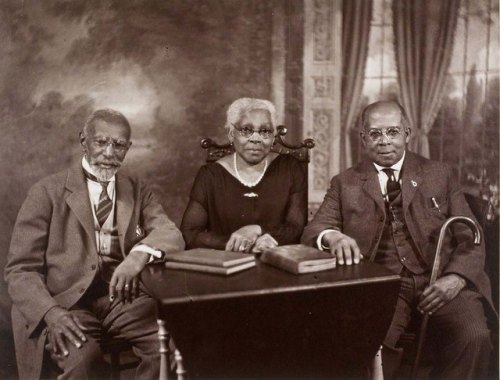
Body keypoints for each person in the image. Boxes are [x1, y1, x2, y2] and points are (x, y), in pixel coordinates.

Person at [301, 100, 494, 379]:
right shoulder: (345, 182)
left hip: (441, 278)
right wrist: (333, 237)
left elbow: (471, 237)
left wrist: (456, 278)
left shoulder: (439, 173)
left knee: (474, 336)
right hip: (385, 285)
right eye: (376, 134)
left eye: (392, 132)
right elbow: (313, 231)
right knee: (367, 346)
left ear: (407, 133)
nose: (384, 141)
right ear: (363, 138)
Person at [5, 109, 185, 379]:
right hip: (66, 303)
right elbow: (19, 271)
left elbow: (169, 232)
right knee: (83, 361)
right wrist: (52, 314)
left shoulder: (137, 188)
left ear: (128, 148)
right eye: (101, 142)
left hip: (122, 300)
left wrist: (138, 257)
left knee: (168, 349)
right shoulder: (45, 192)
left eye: (119, 144)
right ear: (83, 141)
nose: (110, 152)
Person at [181, 97, 307, 253]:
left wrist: (258, 230)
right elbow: (190, 233)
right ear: (231, 134)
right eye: (246, 130)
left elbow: (296, 227)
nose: (255, 139)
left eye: (265, 131)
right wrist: (236, 242)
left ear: (274, 137)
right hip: (225, 265)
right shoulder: (210, 175)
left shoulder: (290, 168)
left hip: (277, 263)